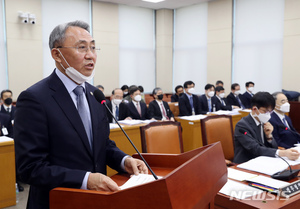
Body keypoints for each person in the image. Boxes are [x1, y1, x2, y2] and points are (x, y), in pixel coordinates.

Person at [14, 21, 147, 209]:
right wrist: (86, 179)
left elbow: (103, 145)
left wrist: (124, 161)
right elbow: (30, 168)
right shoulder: (35, 99)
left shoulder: (95, 95)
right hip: (57, 202)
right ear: (57, 54)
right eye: (82, 47)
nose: (90, 55)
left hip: (97, 201)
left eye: (93, 47)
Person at [233, 92, 299, 164]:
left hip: (263, 161)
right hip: (246, 163)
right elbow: (255, 149)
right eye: (265, 111)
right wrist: (283, 153)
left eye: (270, 111)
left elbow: (274, 147)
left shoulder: (264, 122)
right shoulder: (242, 126)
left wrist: (269, 137)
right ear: (255, 109)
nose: (268, 114)